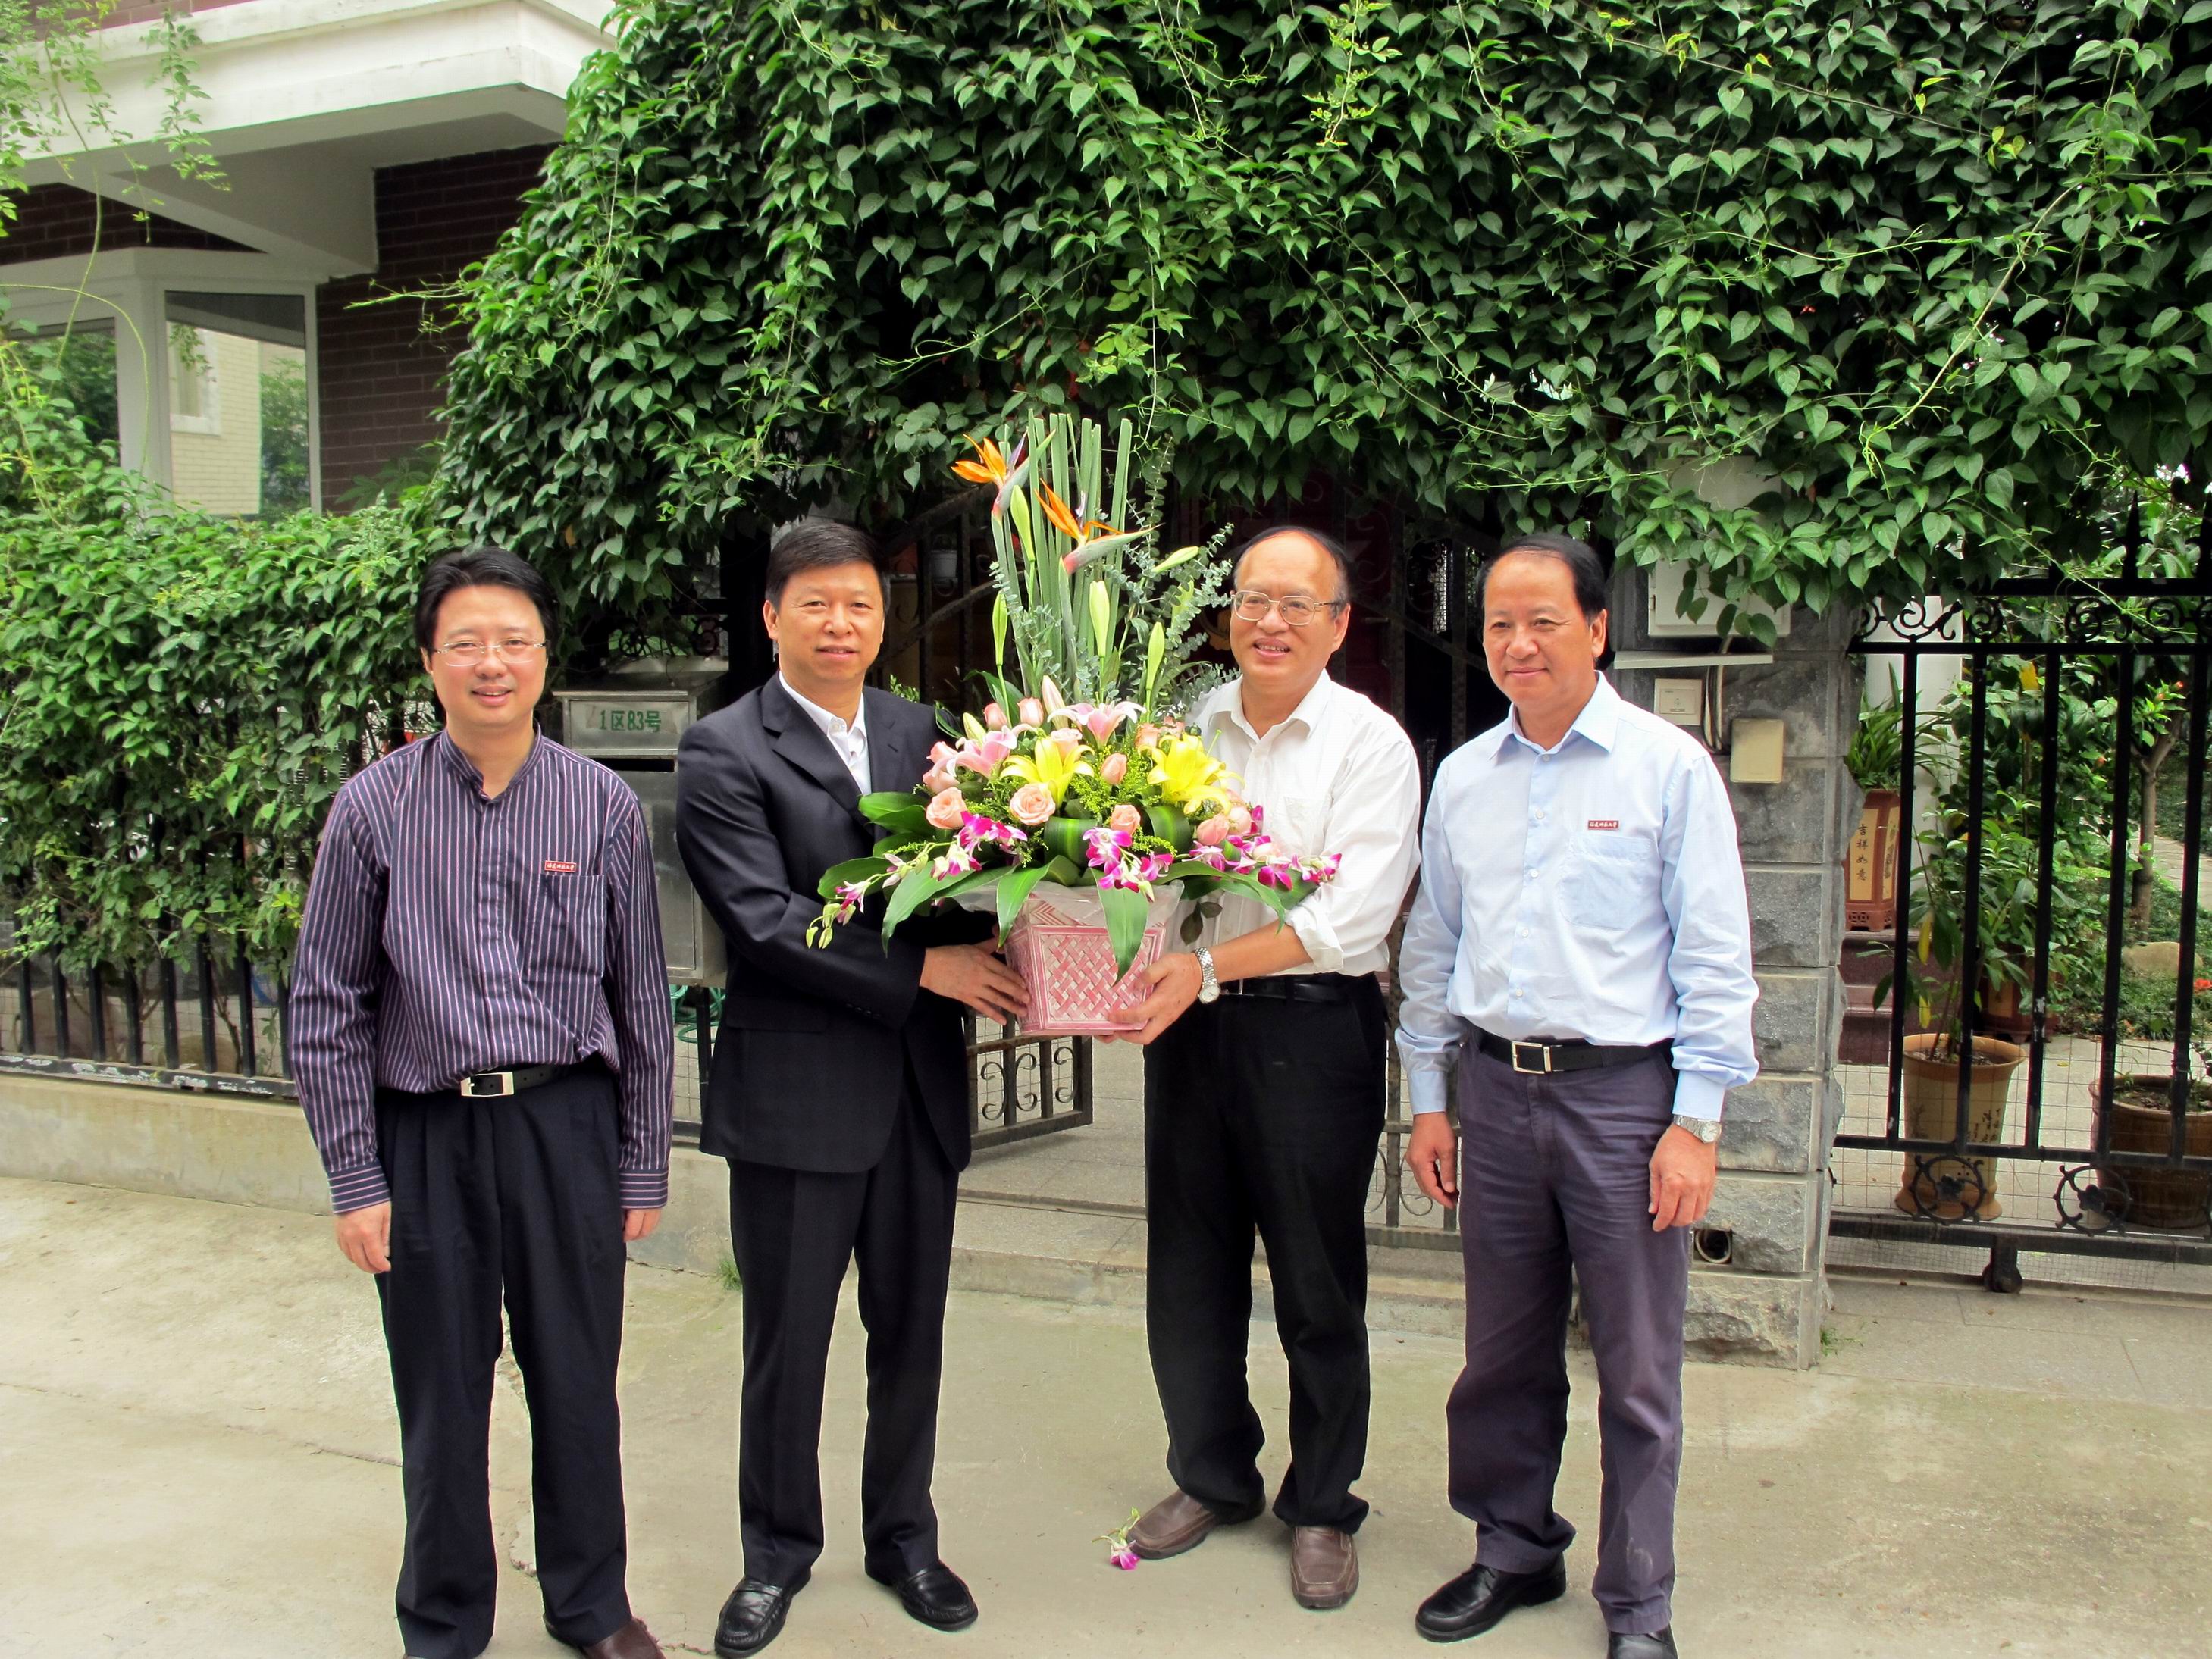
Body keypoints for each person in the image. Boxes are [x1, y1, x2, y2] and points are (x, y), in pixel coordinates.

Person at [291, 546, 674, 1659]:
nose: (491, 663)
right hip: (426, 1132)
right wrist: (355, 1178)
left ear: (544, 659)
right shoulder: (373, 809)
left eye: (514, 641)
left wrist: (641, 1159)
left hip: (566, 1127)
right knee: (441, 1394)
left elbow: (640, 996)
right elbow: (326, 1001)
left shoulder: (600, 804)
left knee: (576, 1383)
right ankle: (444, 1619)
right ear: (431, 662)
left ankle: (591, 1606)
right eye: (466, 642)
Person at [1394, 533, 1759, 1659]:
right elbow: (1433, 944)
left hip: (1624, 1101)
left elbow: (1715, 957)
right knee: (1501, 1352)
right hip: (1496, 1092)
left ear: (1598, 630)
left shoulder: (1666, 768)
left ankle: (1639, 1602)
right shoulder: (1465, 777)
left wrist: (1695, 1121)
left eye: (1543, 621)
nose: (1519, 644)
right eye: (1499, 623)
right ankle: (1513, 1544)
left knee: (1637, 1369)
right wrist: (1429, 1097)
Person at [674, 520, 1028, 1657]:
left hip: (917, 1092)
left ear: (883, 618)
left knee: (911, 1334)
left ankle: (904, 1537)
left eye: (861, 604)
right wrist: (924, 970)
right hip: (796, 1096)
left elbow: (964, 883)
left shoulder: (924, 735)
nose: (841, 624)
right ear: (772, 616)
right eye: (816, 604)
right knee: (787, 1342)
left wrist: (1041, 923)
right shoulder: (723, 748)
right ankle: (775, 1552)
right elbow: (763, 918)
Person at [1111, 525, 1422, 1611]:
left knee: (1315, 1277)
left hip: (1312, 1031)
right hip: (1190, 1031)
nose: (1269, 621)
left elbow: (1351, 918)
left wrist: (1202, 966)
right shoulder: (1184, 729)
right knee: (1188, 1268)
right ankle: (1211, 1474)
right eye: (1251, 599)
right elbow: (1141, 873)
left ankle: (1323, 1501)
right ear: (1227, 614)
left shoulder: (1369, 744)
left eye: (1296, 603)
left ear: (1338, 624)